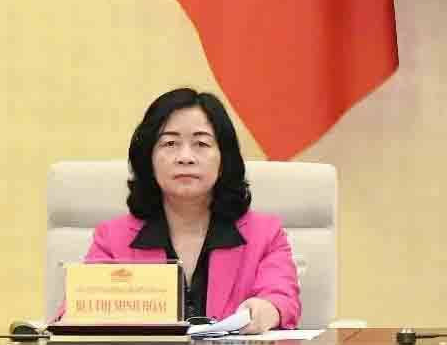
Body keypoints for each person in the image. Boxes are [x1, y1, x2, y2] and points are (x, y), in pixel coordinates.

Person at [81, 87, 301, 328]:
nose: (185, 157)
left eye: (201, 144)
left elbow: (282, 299)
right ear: (148, 158)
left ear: (223, 159)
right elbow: (75, 313)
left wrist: (265, 311)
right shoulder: (111, 239)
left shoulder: (266, 234)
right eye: (170, 143)